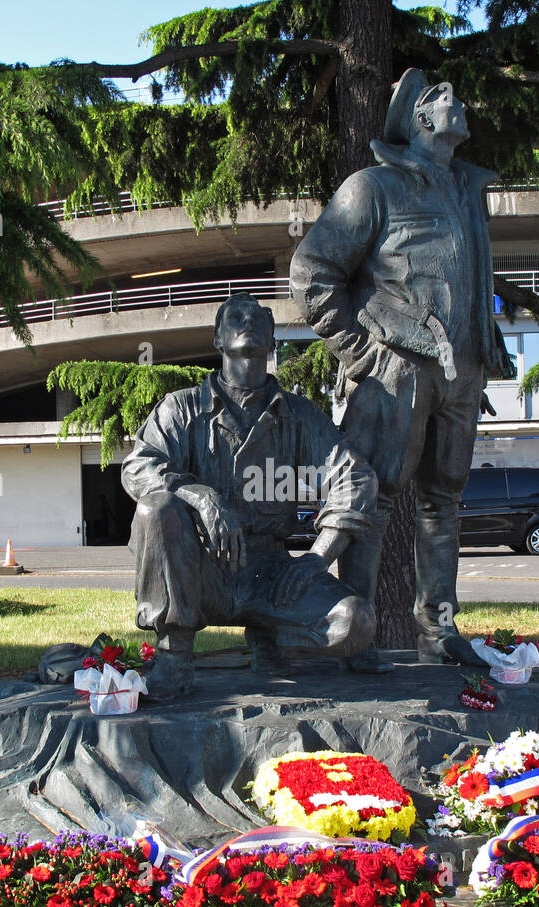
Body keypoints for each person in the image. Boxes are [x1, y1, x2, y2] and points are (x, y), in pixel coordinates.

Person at [290, 68, 516, 672]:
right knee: (372, 501)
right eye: (447, 97)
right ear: (420, 117)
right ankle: (354, 634)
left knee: (444, 501)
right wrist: (361, 354)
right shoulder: (373, 188)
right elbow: (312, 276)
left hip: (461, 374)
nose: (461, 103)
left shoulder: (467, 190)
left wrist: (484, 343)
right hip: (392, 372)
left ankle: (438, 630)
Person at [121, 293, 378, 701]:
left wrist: (317, 558)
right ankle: (174, 654)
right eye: (236, 317)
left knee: (357, 622)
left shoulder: (299, 415)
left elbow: (354, 477)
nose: (248, 321)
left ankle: (273, 636)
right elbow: (139, 467)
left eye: (259, 317)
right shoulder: (182, 409)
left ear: (273, 340)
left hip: (272, 573)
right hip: (200, 571)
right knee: (156, 506)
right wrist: (200, 495)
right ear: (218, 339)